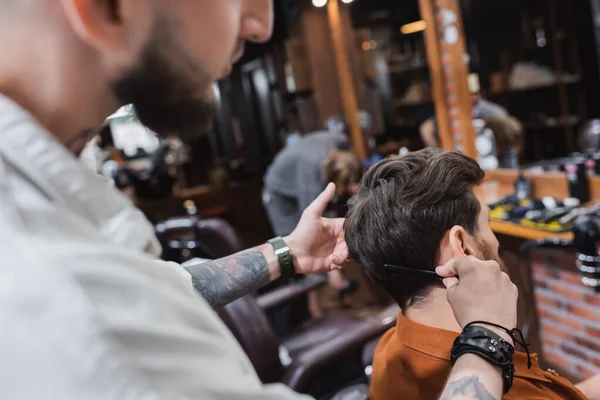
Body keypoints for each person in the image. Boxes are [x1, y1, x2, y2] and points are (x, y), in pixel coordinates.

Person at [0, 1, 544, 399]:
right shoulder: (67, 299)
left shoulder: (59, 203)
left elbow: (172, 286)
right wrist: (489, 339)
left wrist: (284, 252)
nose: (261, 24)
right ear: (104, 6)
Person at [344, 148, 600, 400]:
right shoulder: (509, 390)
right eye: (486, 223)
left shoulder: (390, 350)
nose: (496, 242)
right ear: (463, 246)